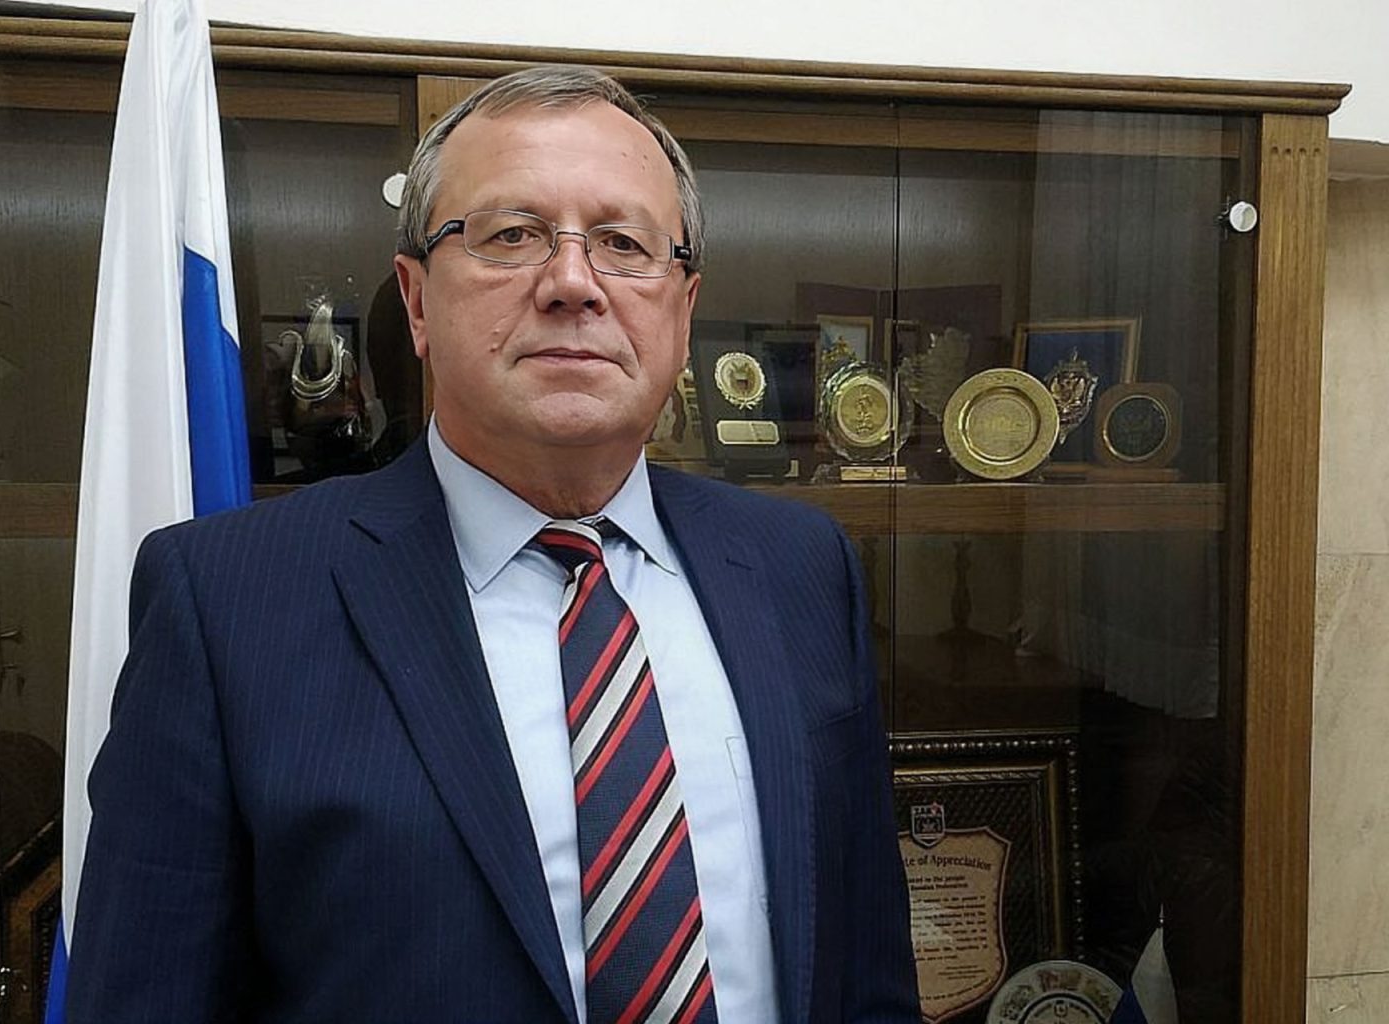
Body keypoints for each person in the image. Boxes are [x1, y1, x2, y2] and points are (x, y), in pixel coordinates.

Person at [67, 65, 919, 1023]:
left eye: (624, 243)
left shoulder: (801, 566)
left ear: (682, 313)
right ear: (417, 301)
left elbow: (865, 974)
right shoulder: (226, 600)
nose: (572, 284)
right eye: (511, 235)